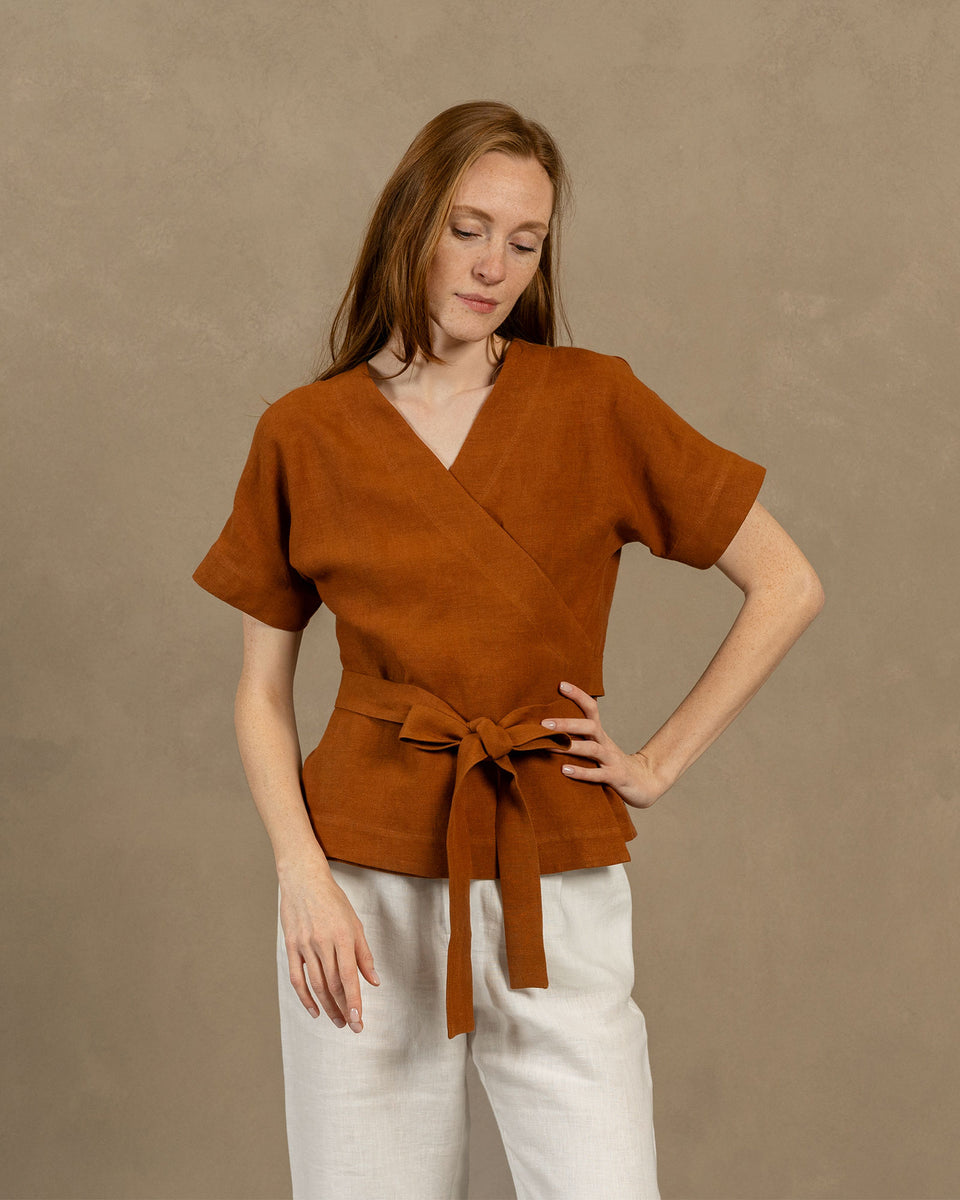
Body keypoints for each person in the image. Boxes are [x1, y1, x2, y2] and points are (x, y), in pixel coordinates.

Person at [192, 100, 824, 1200]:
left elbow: (788, 582)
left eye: (525, 243)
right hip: (361, 885)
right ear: (411, 221)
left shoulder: (595, 401)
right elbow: (260, 691)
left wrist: (655, 763)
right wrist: (302, 876)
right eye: (469, 228)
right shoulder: (305, 431)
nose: (495, 267)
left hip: (552, 865)